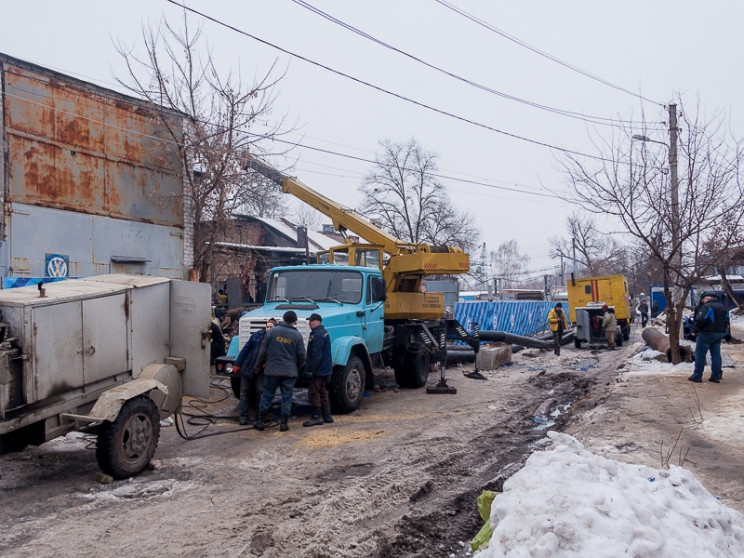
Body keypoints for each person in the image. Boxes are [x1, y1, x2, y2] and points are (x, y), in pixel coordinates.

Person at [254, 310, 306, 432]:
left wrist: (258, 366)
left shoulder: (272, 331)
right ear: (294, 322)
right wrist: (296, 367)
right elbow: (301, 356)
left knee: (267, 395)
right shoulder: (297, 335)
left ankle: (261, 421)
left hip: (271, 370)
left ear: (283, 319)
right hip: (289, 372)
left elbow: (262, 352)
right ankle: (283, 424)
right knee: (287, 397)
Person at [232, 318, 277, 425]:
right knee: (244, 393)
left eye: (271, 327)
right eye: (267, 326)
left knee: (260, 392)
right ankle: (243, 417)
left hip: (261, 372)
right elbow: (245, 350)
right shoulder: (256, 336)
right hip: (247, 368)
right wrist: (237, 364)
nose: (268, 329)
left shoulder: (275, 340)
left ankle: (259, 416)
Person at [689, 294, 730, 383]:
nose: (702, 300)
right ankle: (716, 376)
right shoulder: (722, 307)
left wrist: (695, 330)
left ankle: (697, 375)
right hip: (718, 334)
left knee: (700, 355)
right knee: (716, 355)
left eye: (703, 299)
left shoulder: (707, 307)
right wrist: (722, 330)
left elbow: (701, 319)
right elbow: (727, 320)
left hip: (706, 334)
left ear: (707, 299)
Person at [302, 313, 334, 427]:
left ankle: (316, 417)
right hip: (325, 369)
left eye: (312, 321)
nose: (309, 323)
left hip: (318, 370)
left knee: (313, 393)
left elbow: (316, 355)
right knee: (322, 391)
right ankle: (327, 415)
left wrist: (310, 370)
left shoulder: (317, 335)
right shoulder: (323, 332)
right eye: (309, 321)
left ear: (318, 321)